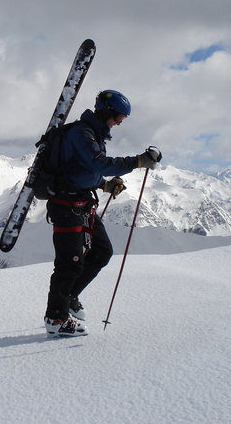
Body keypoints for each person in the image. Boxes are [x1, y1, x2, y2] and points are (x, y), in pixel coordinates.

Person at [44, 90, 161, 337]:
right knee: (69, 265)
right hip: (66, 206)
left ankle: (69, 297)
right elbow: (97, 162)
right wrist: (137, 161)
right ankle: (56, 318)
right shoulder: (82, 133)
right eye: (118, 118)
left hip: (81, 203)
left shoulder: (93, 134)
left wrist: (104, 185)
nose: (118, 123)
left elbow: (81, 169)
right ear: (107, 111)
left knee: (102, 251)